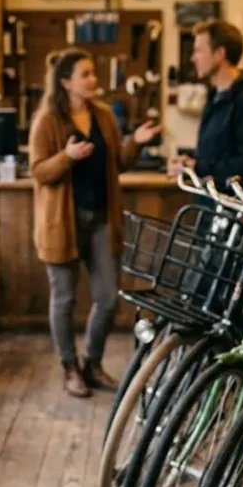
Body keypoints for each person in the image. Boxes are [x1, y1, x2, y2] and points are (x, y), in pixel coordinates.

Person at [30, 49, 161, 398]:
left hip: (102, 218)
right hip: (63, 223)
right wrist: (67, 157)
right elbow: (39, 172)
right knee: (64, 299)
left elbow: (118, 162)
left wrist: (136, 143)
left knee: (107, 297)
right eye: (85, 74)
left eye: (93, 73)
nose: (93, 79)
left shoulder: (103, 115)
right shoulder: (47, 120)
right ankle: (69, 367)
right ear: (65, 81)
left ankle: (93, 363)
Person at [170, 20, 243, 198]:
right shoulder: (214, 97)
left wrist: (198, 167)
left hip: (234, 209)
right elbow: (218, 152)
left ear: (219, 54)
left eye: (199, 51)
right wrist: (191, 162)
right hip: (210, 205)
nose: (193, 58)